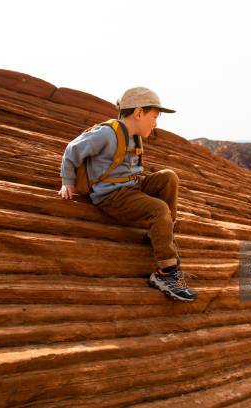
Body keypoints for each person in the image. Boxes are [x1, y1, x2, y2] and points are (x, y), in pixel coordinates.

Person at [58, 87, 198, 302]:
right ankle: (166, 274)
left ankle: (160, 232)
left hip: (132, 187)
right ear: (139, 113)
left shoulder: (134, 137)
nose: (156, 123)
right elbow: (72, 150)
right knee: (159, 209)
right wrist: (67, 182)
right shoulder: (107, 133)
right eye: (154, 116)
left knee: (169, 176)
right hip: (112, 196)